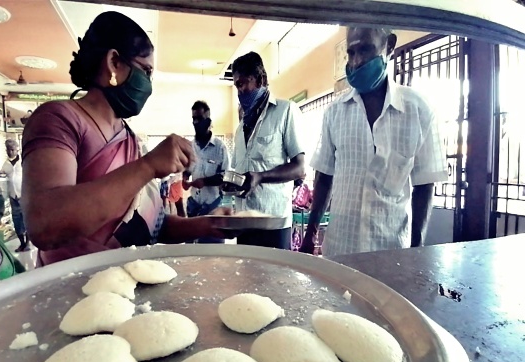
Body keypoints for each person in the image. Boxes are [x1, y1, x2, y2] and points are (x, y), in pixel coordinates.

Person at [21, 11, 231, 266]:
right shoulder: (59, 119)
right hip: (73, 291)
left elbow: (151, 227)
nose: (149, 84)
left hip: (128, 286)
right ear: (114, 62)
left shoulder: (129, 139)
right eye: (146, 71)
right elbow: (45, 224)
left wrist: (212, 224)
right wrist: (148, 166)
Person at [299, 27, 447, 257]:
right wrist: (310, 234)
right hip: (340, 249)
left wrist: (416, 251)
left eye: (365, 49)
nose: (357, 61)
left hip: (390, 250)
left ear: (389, 45)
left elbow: (425, 185)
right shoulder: (335, 112)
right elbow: (324, 177)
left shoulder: (418, 110)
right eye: (351, 52)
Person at [230, 51, 305, 250]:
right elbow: (239, 172)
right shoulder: (240, 128)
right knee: (245, 279)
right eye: (236, 85)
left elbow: (299, 169)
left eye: (243, 83)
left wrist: (260, 177)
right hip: (244, 222)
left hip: (274, 224)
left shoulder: (285, 111)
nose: (239, 91)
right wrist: (230, 183)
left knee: (276, 279)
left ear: (261, 79)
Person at [183, 100, 230, 243]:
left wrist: (204, 182)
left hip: (213, 210)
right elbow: (187, 170)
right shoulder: (190, 147)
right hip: (194, 209)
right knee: (192, 254)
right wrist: (185, 178)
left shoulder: (220, 148)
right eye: (193, 119)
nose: (196, 123)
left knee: (213, 254)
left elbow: (226, 176)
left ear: (208, 121)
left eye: (200, 119)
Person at [0, 139, 30, 252]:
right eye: (8, 150)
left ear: (17, 149)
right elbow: (3, 172)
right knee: (16, 220)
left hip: (24, 195)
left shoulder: (23, 161)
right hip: (13, 197)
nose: (10, 152)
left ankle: (28, 244)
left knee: (26, 219)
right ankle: (22, 243)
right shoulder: (6, 163)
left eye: (12, 150)